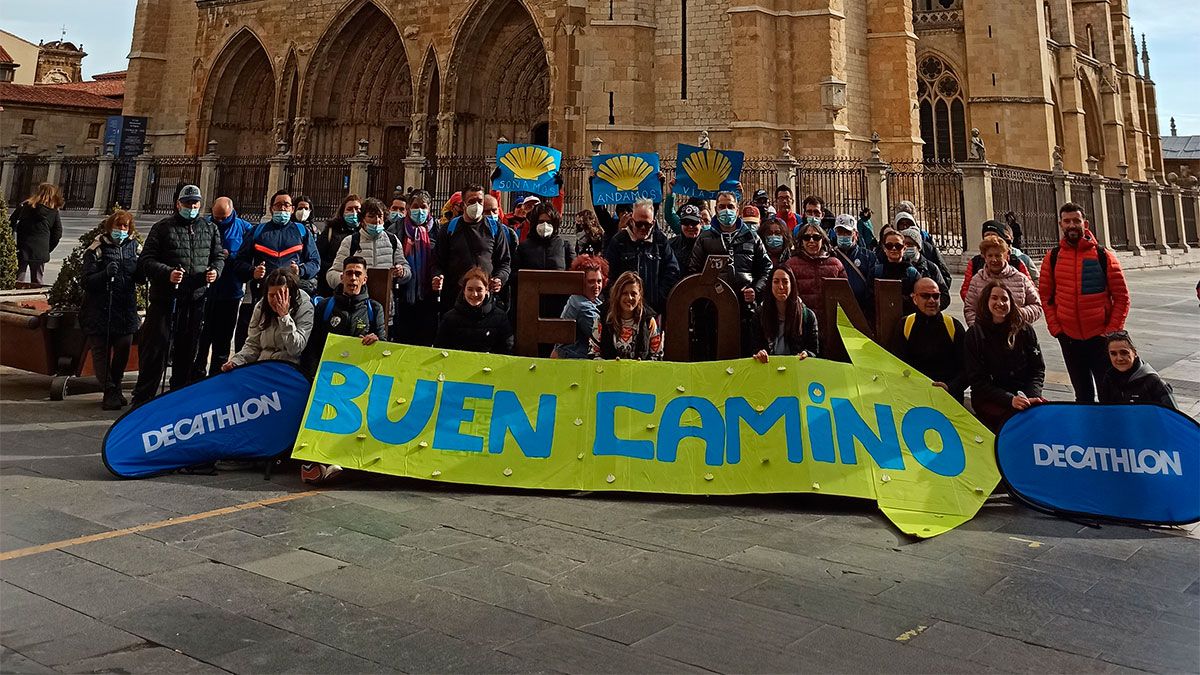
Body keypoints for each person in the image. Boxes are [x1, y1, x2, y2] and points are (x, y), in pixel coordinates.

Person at [131, 184, 225, 406]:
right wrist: (168, 273)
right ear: (178, 204)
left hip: (195, 299)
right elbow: (146, 261)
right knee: (156, 350)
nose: (192, 207)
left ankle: (178, 397)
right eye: (187, 203)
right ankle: (143, 398)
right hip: (165, 300)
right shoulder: (162, 228)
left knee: (187, 350)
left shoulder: (209, 229)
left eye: (195, 203)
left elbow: (218, 256)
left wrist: (215, 271)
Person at [299, 255, 385, 484]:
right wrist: (313, 376)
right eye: (349, 273)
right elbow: (312, 345)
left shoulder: (374, 309)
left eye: (358, 274)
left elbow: (386, 348)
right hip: (328, 380)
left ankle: (344, 463)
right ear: (341, 276)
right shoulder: (326, 307)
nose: (353, 278)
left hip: (359, 381)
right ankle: (312, 465)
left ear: (365, 279)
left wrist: (376, 340)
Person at [1039, 202, 1130, 403]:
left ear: (1085, 223)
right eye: (1067, 221)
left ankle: (1109, 433)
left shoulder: (1103, 255)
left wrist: (1110, 332)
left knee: (1108, 394)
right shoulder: (1052, 257)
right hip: (1069, 338)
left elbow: (1122, 297)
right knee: (1082, 394)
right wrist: (1057, 329)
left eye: (1076, 221)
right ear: (1061, 224)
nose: (1072, 225)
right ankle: (1087, 431)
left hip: (1100, 338)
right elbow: (1045, 296)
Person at [231, 191, 321, 349]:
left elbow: (315, 262)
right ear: (271, 208)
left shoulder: (302, 231)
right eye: (278, 205)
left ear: (292, 209)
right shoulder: (257, 231)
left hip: (293, 298)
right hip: (262, 297)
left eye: (286, 205)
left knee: (289, 342)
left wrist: (300, 270)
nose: (282, 208)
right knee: (256, 342)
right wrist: (253, 271)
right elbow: (239, 262)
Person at [689, 191, 772, 355]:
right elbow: (693, 271)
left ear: (737, 210)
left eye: (730, 206)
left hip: (745, 310)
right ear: (716, 210)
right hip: (712, 311)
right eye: (722, 207)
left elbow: (766, 268)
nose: (726, 211)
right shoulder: (705, 238)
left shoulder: (752, 237)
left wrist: (756, 290)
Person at [965, 281, 1046, 432]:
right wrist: (1010, 400)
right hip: (992, 398)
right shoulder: (974, 334)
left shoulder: (1025, 330)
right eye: (994, 298)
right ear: (986, 302)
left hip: (1023, 394)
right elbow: (977, 381)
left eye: (1004, 299)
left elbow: (1037, 369)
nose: (1000, 303)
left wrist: (1031, 396)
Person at [80, 211, 141, 410]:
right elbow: (86, 281)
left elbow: (140, 274)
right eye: (118, 227)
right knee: (101, 352)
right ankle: (109, 389)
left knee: (124, 347)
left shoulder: (135, 247)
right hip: (100, 309)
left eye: (125, 227)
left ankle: (115, 385)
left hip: (125, 309)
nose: (121, 231)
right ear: (109, 227)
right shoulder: (96, 248)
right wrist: (104, 274)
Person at [192, 196, 253, 376]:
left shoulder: (244, 228)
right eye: (216, 217)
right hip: (205, 291)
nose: (219, 221)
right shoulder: (203, 224)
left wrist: (230, 255)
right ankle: (197, 371)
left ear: (231, 212)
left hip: (230, 292)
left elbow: (246, 257)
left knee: (223, 338)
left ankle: (217, 374)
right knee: (202, 336)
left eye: (223, 218)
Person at [431, 185, 512, 313]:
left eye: (479, 201)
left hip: (486, 301)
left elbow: (505, 262)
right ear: (463, 205)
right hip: (454, 301)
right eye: (471, 202)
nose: (476, 205)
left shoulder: (495, 228)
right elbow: (437, 262)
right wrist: (437, 276)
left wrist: (499, 278)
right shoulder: (448, 229)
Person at [222, 267, 313, 371]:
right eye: (272, 295)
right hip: (263, 365)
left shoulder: (305, 307)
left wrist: (284, 317)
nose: (275, 300)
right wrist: (236, 362)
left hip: (289, 368)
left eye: (280, 295)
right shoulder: (261, 307)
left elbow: (295, 349)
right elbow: (253, 345)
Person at [896, 278, 966, 402]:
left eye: (935, 296)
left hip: (948, 398)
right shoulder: (905, 325)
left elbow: (967, 368)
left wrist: (950, 387)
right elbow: (897, 363)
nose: (932, 301)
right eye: (925, 296)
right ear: (915, 299)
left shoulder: (954, 326)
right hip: (914, 396)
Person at [604, 198, 679, 315]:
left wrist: (659, 296)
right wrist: (620, 299)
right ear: (632, 221)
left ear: (653, 223)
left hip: (654, 310)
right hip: (624, 311)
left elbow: (672, 271)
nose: (643, 228)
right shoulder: (619, 241)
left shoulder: (660, 241)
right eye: (639, 224)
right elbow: (608, 274)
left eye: (647, 225)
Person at [324, 197, 410, 293]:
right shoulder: (350, 242)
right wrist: (348, 280)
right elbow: (332, 274)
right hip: (357, 302)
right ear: (362, 220)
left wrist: (402, 272)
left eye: (380, 216)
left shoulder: (392, 240)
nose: (376, 220)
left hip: (384, 299)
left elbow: (406, 269)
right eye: (371, 216)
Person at [389, 189, 437, 345]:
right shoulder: (395, 229)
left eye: (423, 206)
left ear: (429, 208)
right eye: (416, 206)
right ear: (408, 207)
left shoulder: (437, 229)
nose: (420, 211)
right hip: (402, 294)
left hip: (429, 293)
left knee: (425, 338)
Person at [963, 235, 1042, 327]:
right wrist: (977, 329)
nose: (994, 259)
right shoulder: (977, 280)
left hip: (1017, 332)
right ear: (984, 257)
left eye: (998, 255)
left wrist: (1018, 314)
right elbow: (970, 309)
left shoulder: (1021, 278)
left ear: (1005, 255)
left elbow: (1036, 306)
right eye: (990, 255)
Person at [433, 266, 514, 354]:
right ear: (464, 291)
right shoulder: (449, 318)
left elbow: (507, 349)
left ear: (486, 290)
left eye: (479, 290)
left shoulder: (500, 317)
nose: (474, 294)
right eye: (470, 289)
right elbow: (440, 349)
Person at [752, 266, 819, 363]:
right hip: (768, 368)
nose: (781, 286)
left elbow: (814, 350)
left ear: (792, 284)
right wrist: (760, 353)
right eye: (776, 282)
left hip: (796, 369)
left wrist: (807, 354)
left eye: (785, 281)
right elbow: (755, 347)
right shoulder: (759, 315)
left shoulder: (808, 316)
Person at [875, 228, 949, 314]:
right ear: (884, 248)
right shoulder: (877, 270)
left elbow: (937, 296)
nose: (894, 249)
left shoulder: (914, 272)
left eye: (898, 246)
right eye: (889, 246)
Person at [1098, 331, 1177, 409]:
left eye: (1124, 352)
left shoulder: (1154, 382)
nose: (1119, 358)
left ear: (1135, 353)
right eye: (1113, 354)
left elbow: (1173, 417)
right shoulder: (1109, 378)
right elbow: (1104, 412)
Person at [959, 220, 1035, 301]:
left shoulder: (1016, 263)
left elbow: (1033, 296)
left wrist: (1017, 310)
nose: (991, 238)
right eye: (987, 235)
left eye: (994, 235)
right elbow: (966, 291)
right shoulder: (975, 263)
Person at [597, 271, 663, 360]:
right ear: (617, 295)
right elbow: (594, 353)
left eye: (633, 294)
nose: (629, 298)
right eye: (624, 293)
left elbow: (657, 356)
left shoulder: (649, 321)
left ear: (639, 296)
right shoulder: (602, 318)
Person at [785, 219, 846, 314]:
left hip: (829, 322)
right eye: (806, 237)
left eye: (816, 237)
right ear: (801, 241)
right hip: (801, 320)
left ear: (823, 240)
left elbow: (844, 296)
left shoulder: (836, 264)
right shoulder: (790, 265)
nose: (811, 241)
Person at [553, 255, 607, 359]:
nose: (596, 286)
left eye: (599, 281)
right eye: (591, 281)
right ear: (581, 282)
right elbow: (601, 335)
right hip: (572, 361)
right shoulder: (579, 304)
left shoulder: (594, 300)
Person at [9, 182, 63, 285]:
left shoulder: (24, 206)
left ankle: (14, 301)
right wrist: (47, 248)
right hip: (40, 249)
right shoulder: (53, 212)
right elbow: (57, 233)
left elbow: (11, 223)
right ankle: (34, 299)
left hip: (22, 247)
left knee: (17, 279)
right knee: (37, 281)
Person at [831, 214, 876, 320]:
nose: (843, 236)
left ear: (856, 234)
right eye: (840, 232)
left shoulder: (868, 256)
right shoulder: (830, 256)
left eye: (847, 232)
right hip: (836, 312)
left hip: (862, 312)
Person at [893, 209, 952, 286]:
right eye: (901, 224)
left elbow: (944, 276)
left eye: (908, 224)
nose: (905, 226)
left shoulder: (929, 250)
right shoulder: (893, 255)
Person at [317, 194, 362, 294]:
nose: (354, 213)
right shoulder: (331, 231)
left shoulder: (364, 233)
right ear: (343, 212)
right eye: (349, 209)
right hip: (331, 287)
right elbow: (319, 256)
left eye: (357, 209)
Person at [671, 205, 704, 269]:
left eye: (694, 222)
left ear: (701, 223)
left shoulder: (709, 243)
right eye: (685, 222)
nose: (690, 226)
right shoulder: (671, 245)